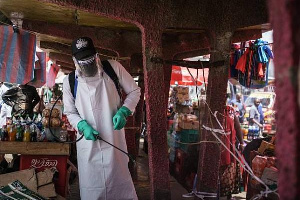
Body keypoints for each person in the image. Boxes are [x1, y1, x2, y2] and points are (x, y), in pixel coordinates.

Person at [63, 37, 141, 199]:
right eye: (83, 61)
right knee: (93, 190)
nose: (87, 63)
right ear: (74, 60)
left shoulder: (113, 68)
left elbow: (135, 91)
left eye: (90, 59)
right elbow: (70, 112)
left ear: (96, 55)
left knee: (121, 189)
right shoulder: (69, 81)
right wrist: (82, 125)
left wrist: (124, 111)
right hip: (88, 146)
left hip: (114, 142)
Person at [220, 105, 244, 199]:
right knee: (227, 171)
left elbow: (237, 127)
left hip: (229, 148)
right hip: (221, 148)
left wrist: (241, 143)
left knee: (230, 170)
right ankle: (224, 194)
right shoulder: (216, 111)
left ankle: (228, 195)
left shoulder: (231, 112)